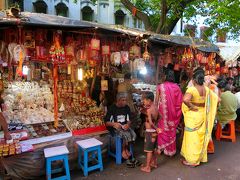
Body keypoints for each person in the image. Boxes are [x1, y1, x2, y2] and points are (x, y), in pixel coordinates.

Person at [181, 68, 218, 167]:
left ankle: (192, 161)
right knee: (199, 138)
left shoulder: (192, 89)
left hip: (193, 116)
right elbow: (218, 99)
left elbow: (185, 99)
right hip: (203, 115)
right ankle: (199, 158)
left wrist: (192, 107)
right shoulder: (206, 89)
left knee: (191, 138)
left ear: (194, 80)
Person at [155, 69, 183, 156]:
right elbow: (180, 102)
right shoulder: (177, 87)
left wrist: (155, 113)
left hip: (162, 113)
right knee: (171, 129)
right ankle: (170, 151)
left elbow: (156, 102)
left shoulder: (160, 86)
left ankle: (161, 149)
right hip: (173, 113)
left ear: (165, 76)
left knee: (162, 129)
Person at [105, 93, 137, 164]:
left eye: (126, 100)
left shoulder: (127, 107)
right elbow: (106, 122)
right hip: (115, 128)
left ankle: (125, 149)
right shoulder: (112, 108)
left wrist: (128, 125)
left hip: (124, 127)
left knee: (133, 134)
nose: (125, 102)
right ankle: (123, 150)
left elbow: (129, 120)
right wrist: (114, 124)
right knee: (124, 134)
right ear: (118, 100)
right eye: (123, 100)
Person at [141, 92, 161, 173]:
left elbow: (151, 123)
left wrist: (156, 128)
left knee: (149, 150)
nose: (143, 102)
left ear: (149, 100)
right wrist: (157, 126)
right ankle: (154, 163)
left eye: (144, 100)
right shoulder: (155, 107)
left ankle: (148, 167)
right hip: (154, 133)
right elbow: (160, 116)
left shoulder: (149, 110)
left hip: (150, 132)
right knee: (154, 148)